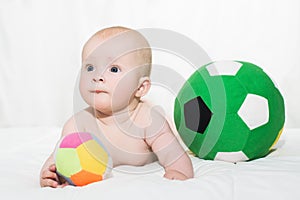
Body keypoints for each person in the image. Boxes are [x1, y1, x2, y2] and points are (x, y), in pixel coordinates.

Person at [40, 26, 194, 188]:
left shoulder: (148, 120)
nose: (97, 77)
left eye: (114, 69)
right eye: (90, 67)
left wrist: (179, 172)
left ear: (140, 88)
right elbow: (60, 157)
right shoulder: (79, 124)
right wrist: (50, 174)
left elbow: (173, 155)